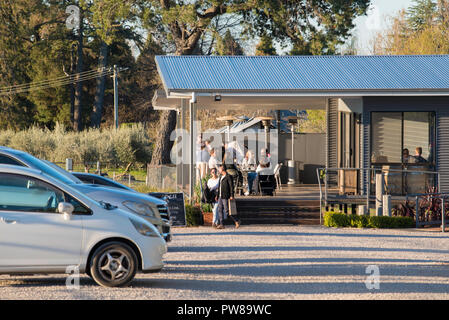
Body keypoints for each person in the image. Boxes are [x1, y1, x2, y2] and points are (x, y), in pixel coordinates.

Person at [216, 165, 240, 229]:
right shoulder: (221, 176)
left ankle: (236, 220)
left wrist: (232, 195)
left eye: (219, 169)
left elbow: (231, 187)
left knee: (227, 210)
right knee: (220, 209)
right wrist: (217, 195)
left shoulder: (228, 176)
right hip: (220, 196)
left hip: (226, 195)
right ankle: (221, 224)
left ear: (222, 169)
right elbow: (219, 187)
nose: (218, 170)